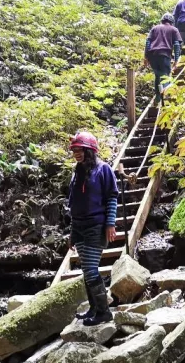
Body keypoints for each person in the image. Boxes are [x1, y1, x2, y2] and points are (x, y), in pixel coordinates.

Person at [67, 132, 119, 326]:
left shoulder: (103, 169)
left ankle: (104, 312)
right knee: (88, 270)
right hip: (79, 226)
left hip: (95, 226)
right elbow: (74, 204)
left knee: (89, 270)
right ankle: (94, 308)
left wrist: (111, 224)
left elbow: (112, 196)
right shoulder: (77, 173)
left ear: (90, 151)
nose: (77, 153)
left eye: (80, 150)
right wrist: (72, 233)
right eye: (75, 150)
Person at [144, 13, 182, 105]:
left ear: (162, 20)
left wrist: (146, 56)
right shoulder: (174, 29)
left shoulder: (155, 28)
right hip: (164, 55)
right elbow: (177, 45)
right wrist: (176, 60)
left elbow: (148, 42)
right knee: (165, 76)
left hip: (153, 56)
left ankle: (158, 98)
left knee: (158, 76)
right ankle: (165, 98)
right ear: (172, 22)